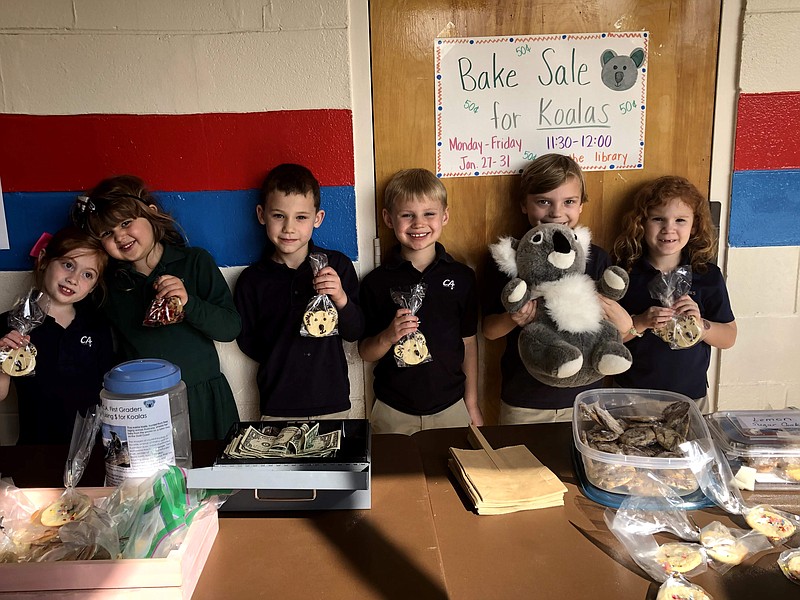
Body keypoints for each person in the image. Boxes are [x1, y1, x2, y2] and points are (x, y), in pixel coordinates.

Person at [72, 175, 240, 440]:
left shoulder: (194, 261)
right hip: (141, 407)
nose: (120, 236)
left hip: (203, 399)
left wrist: (189, 303)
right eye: (107, 233)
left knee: (214, 479)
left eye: (126, 223)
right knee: (151, 481)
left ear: (151, 214)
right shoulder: (107, 285)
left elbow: (230, 327)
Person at [482, 153, 633, 424]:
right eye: (543, 202)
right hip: (525, 399)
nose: (556, 212)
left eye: (569, 202)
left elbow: (616, 326)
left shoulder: (595, 257)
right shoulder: (508, 259)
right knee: (522, 465)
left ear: (581, 206)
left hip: (585, 399)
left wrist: (627, 325)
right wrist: (513, 318)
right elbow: (490, 332)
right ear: (524, 205)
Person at [234, 163, 364, 419]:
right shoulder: (252, 280)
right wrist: (283, 354)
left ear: (318, 218)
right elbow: (248, 342)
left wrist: (339, 297)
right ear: (262, 215)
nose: (289, 228)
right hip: (277, 405)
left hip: (332, 403)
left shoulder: (337, 266)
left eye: (301, 217)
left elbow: (355, 332)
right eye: (278, 216)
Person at [359, 168, 483, 434]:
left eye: (429, 214)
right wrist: (388, 337)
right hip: (392, 410)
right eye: (407, 215)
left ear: (444, 216)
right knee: (395, 476)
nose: (418, 224)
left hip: (451, 407)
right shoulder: (375, 283)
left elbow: (469, 342)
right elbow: (365, 352)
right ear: (388, 219)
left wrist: (471, 403)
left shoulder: (462, 277)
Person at [611, 176, 737, 411]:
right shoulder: (624, 276)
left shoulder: (707, 275)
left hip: (690, 398)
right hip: (631, 396)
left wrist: (701, 326)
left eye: (680, 220)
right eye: (658, 219)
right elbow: (608, 339)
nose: (669, 228)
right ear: (642, 223)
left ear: (695, 225)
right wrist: (640, 322)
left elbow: (729, 337)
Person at [0, 227, 115, 444]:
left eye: (87, 274)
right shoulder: (10, 325)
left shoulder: (97, 325)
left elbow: (109, 391)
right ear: (44, 260)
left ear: (93, 287)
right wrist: (2, 357)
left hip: (94, 450)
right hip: (36, 449)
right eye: (68, 265)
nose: (73, 279)